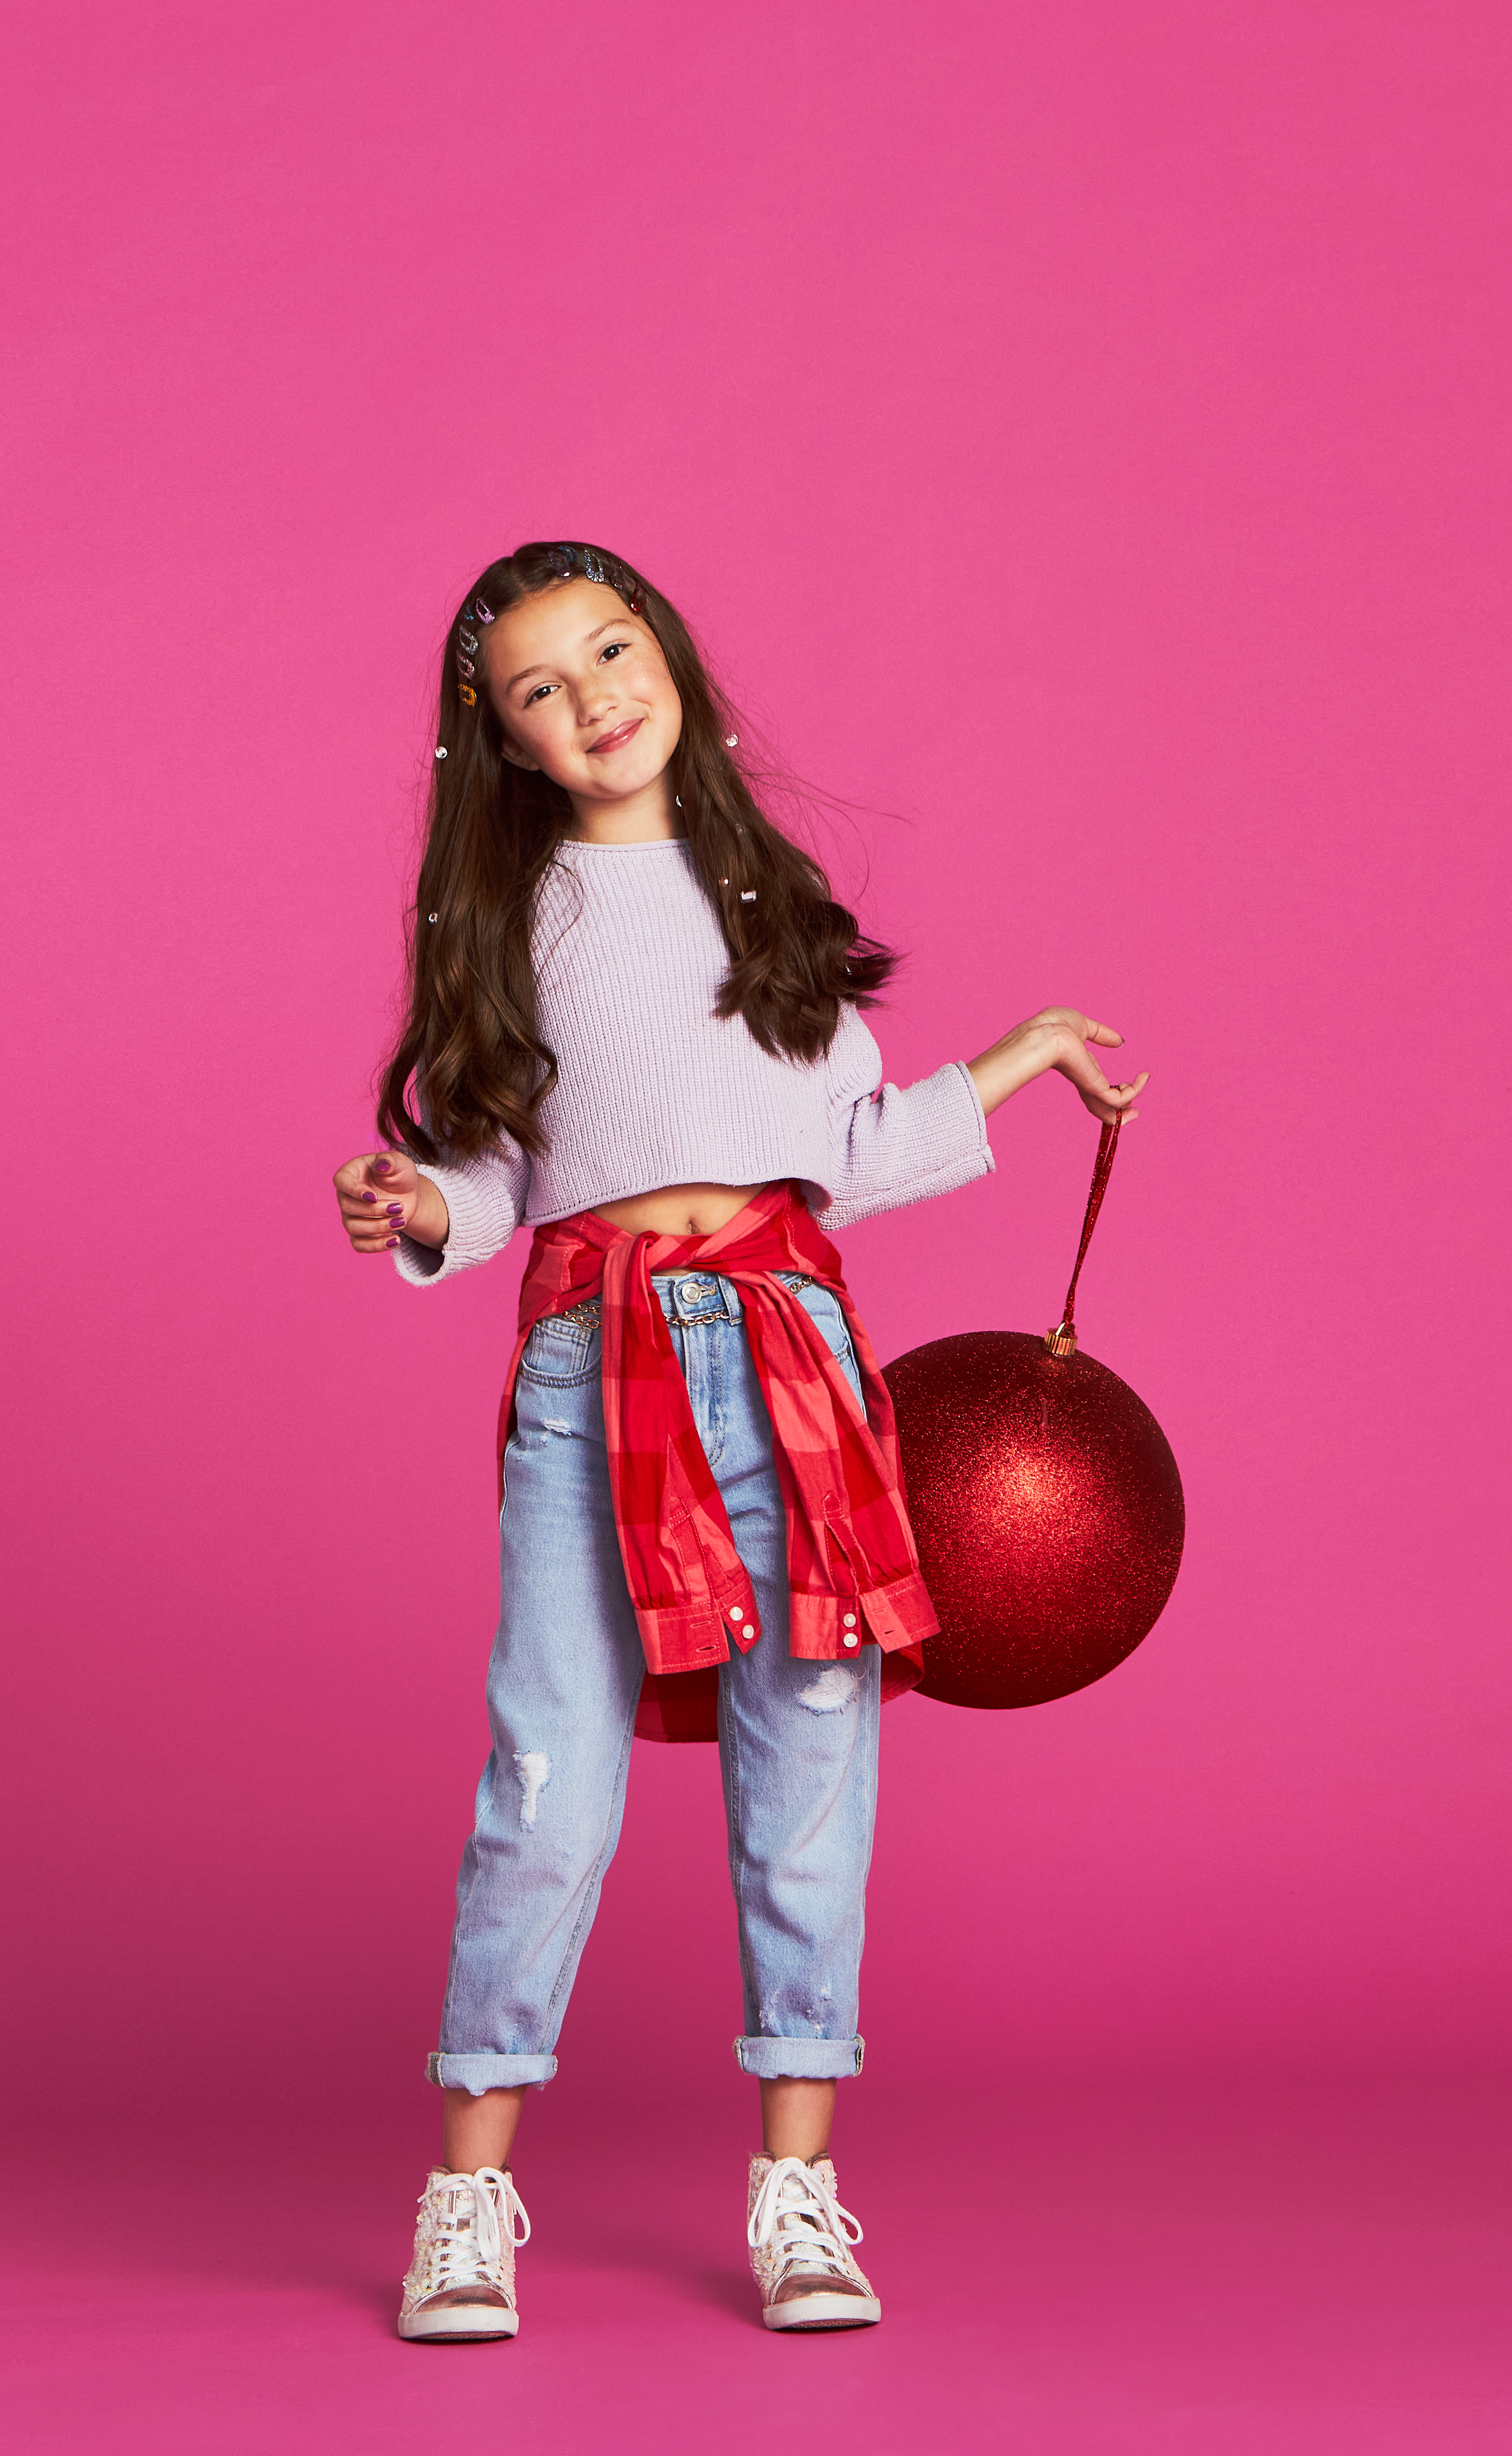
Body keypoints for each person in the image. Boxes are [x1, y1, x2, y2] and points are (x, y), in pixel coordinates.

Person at [332, 540, 1147, 2342]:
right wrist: (416, 1208)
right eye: (542, 686)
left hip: (789, 1354)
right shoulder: (510, 920)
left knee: (811, 1778)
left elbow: (843, 1157)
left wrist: (1010, 1057)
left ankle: (800, 2196)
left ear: (668, 655)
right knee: (546, 1780)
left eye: (611, 651)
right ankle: (466, 2197)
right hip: (592, 1361)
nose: (593, 697)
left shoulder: (760, 893)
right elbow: (487, 1168)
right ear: (507, 739)